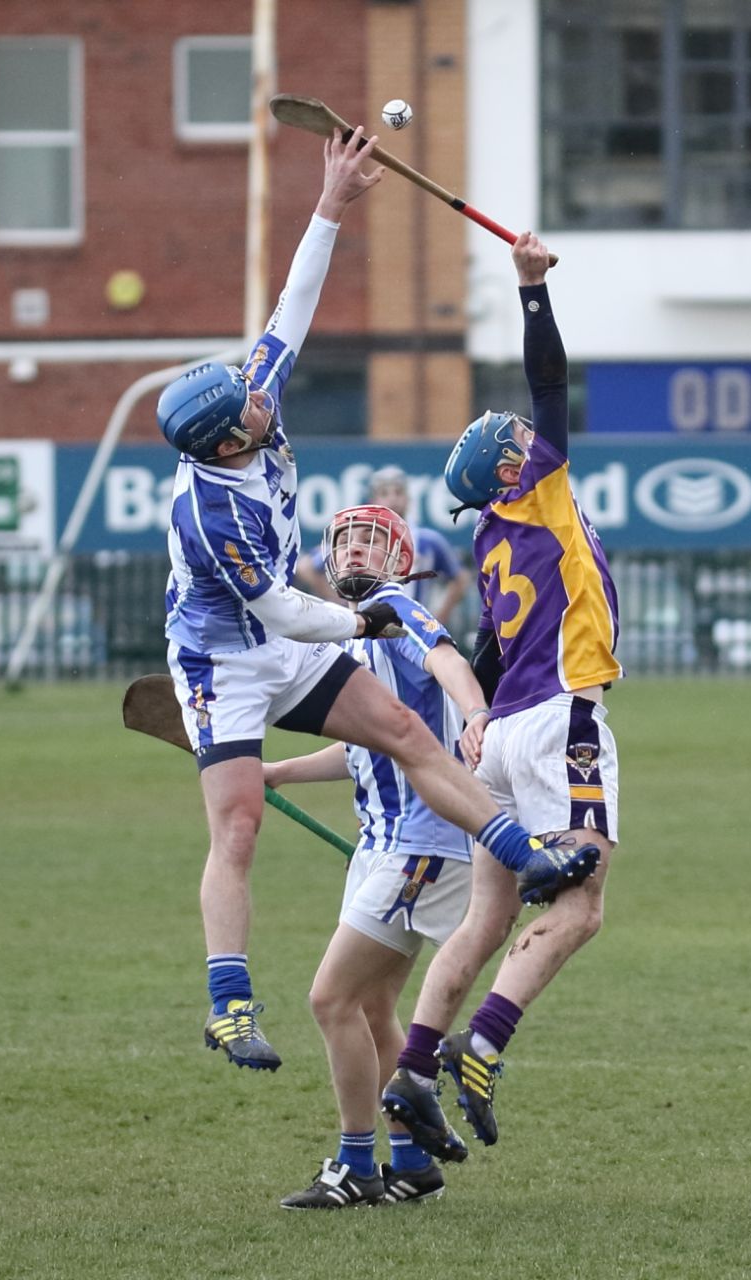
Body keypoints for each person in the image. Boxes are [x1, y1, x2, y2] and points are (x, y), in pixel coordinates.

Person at [156, 133, 595, 1080]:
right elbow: (279, 611)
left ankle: (520, 850)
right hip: (225, 656)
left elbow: (290, 315)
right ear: (230, 442)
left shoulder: (246, 404)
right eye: (251, 404)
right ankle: (228, 1003)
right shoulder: (207, 516)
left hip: (288, 637)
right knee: (237, 821)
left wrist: (332, 205)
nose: (264, 393)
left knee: (401, 726)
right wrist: (362, 623)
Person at [381, 230, 623, 1158]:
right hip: (564, 718)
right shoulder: (541, 493)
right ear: (516, 469)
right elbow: (552, 383)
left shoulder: (488, 538)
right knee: (582, 904)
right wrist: (530, 291)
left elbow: (486, 650)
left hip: (506, 733)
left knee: (486, 917)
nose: (530, 433)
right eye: (519, 440)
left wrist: (469, 731)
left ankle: (411, 1068)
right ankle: (481, 1046)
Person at [270, 504, 486, 1209]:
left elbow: (446, 657)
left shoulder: (395, 609)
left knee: (330, 999)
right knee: (369, 1007)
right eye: (345, 540)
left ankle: (356, 1166)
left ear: (400, 559)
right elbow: (362, 747)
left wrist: (476, 713)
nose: (357, 550)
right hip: (385, 845)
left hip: (419, 844)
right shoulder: (357, 639)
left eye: (374, 540)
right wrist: (276, 773)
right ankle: (411, 1162)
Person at [296, 465, 471, 625]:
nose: (392, 499)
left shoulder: (429, 541)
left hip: (412, 624)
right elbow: (306, 566)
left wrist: (439, 617)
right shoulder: (359, 537)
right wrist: (339, 603)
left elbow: (460, 578)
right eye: (384, 493)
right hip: (368, 627)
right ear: (373, 499)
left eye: (398, 492)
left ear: (409, 499)